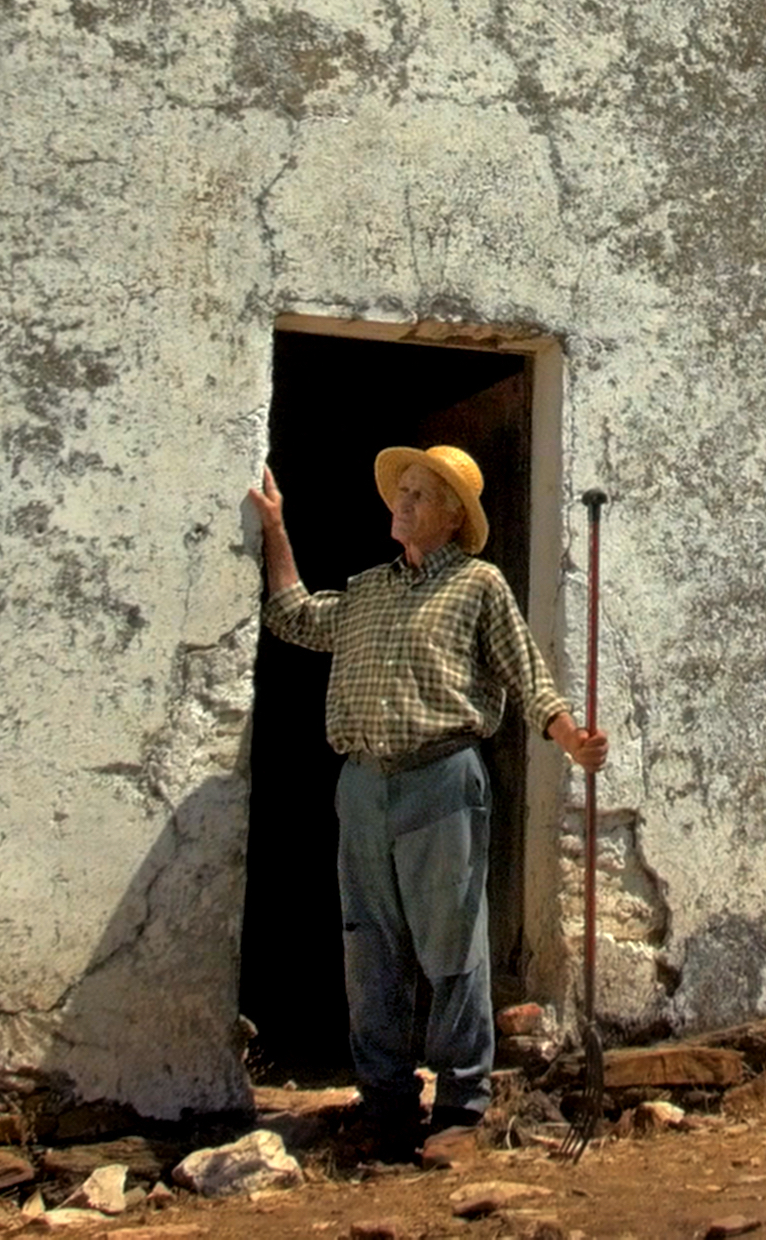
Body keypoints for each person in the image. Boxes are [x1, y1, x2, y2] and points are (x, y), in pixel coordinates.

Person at [253, 444, 610, 1166]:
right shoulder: (366, 591)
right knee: (370, 946)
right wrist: (276, 530)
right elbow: (292, 617)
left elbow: (526, 674)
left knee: (451, 945)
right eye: (402, 490)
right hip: (361, 783)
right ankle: (384, 1103)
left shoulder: (479, 585)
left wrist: (570, 736)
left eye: (421, 494)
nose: (403, 503)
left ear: (453, 515)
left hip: (440, 778)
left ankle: (461, 1105)